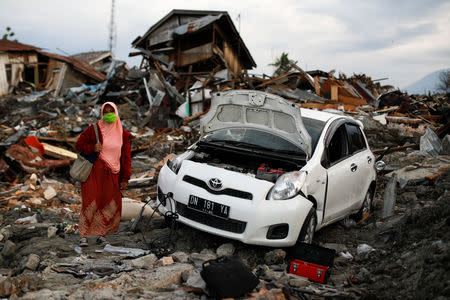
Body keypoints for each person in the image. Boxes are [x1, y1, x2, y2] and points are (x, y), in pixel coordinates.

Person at [75, 102, 131, 246]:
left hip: (113, 174)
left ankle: (101, 234)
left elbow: (126, 157)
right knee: (90, 201)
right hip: (93, 172)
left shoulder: (123, 134)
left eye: (111, 111)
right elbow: (79, 145)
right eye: (105, 112)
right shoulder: (94, 129)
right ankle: (84, 235)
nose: (108, 114)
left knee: (108, 203)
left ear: (116, 112)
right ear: (101, 113)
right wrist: (92, 147)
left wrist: (125, 178)